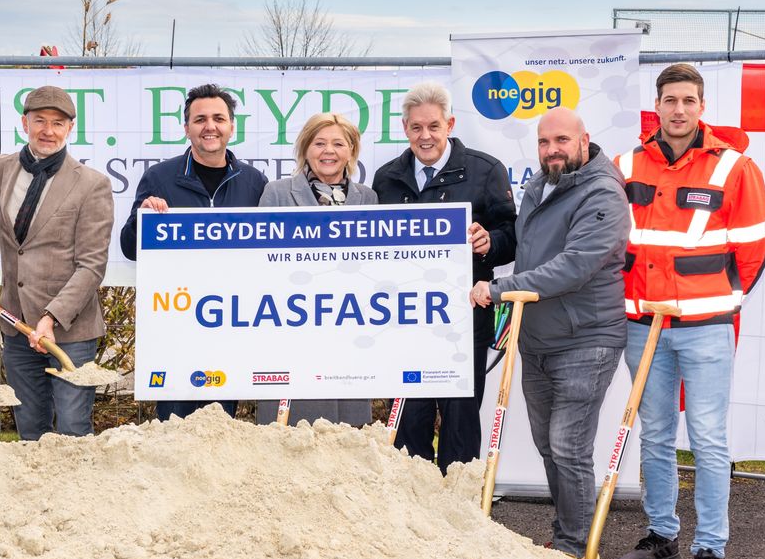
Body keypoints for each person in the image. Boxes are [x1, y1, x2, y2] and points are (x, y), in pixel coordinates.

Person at [611, 63, 765, 559]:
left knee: (707, 438)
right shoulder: (625, 164)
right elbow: (609, 240)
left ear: (702, 107)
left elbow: (755, 246)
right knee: (655, 435)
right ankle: (662, 534)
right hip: (643, 325)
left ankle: (710, 549)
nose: (678, 109)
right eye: (670, 100)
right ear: (657, 106)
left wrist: (716, 295)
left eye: (688, 100)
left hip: (706, 327)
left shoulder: (734, 167)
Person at [471, 107, 630, 557]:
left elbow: (574, 266)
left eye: (561, 140)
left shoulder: (602, 192)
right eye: (544, 142)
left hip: (586, 339)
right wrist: (491, 243)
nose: (552, 149)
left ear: (584, 140)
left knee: (567, 445)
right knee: (548, 445)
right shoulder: (541, 185)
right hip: (538, 338)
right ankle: (566, 533)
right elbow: (529, 249)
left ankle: (573, 549)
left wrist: (500, 289)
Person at [374, 81, 516, 473]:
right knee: (408, 424)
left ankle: (459, 499)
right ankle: (410, 502)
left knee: (461, 422)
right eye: (416, 127)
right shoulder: (387, 178)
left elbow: (513, 236)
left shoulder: (485, 170)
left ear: (450, 125)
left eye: (434, 126)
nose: (425, 136)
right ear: (404, 128)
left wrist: (490, 242)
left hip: (463, 320)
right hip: (405, 322)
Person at [0, 86, 113, 440]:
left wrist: (51, 318)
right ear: (25, 123)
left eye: (58, 123)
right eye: (40, 121)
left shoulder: (92, 185)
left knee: (72, 429)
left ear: (70, 128)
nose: (48, 131)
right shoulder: (1, 168)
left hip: (70, 331)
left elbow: (92, 265)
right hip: (16, 323)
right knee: (30, 427)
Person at [119, 83, 267, 421]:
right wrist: (144, 218)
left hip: (232, 321)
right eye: (200, 119)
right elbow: (130, 248)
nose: (209, 126)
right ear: (186, 128)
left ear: (232, 127)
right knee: (174, 424)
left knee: (221, 421)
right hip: (177, 320)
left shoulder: (254, 182)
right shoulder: (160, 177)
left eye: (218, 118)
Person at [255, 112, 377, 427]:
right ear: (305, 149)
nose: (328, 151)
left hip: (348, 329)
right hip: (290, 325)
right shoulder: (277, 193)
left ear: (351, 151)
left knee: (345, 437)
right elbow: (259, 262)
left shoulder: (368, 198)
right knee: (287, 437)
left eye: (338, 143)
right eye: (319, 143)